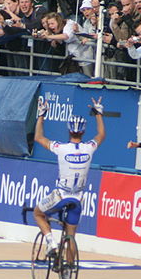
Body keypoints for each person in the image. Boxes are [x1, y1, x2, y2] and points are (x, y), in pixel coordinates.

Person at [33, 96, 105, 257]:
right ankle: (67, 275)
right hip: (78, 199)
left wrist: (41, 115)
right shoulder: (89, 148)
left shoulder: (61, 148)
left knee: (38, 213)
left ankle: (51, 242)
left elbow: (38, 137)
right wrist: (98, 113)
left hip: (61, 195)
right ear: (83, 131)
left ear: (68, 129)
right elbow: (101, 134)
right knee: (71, 236)